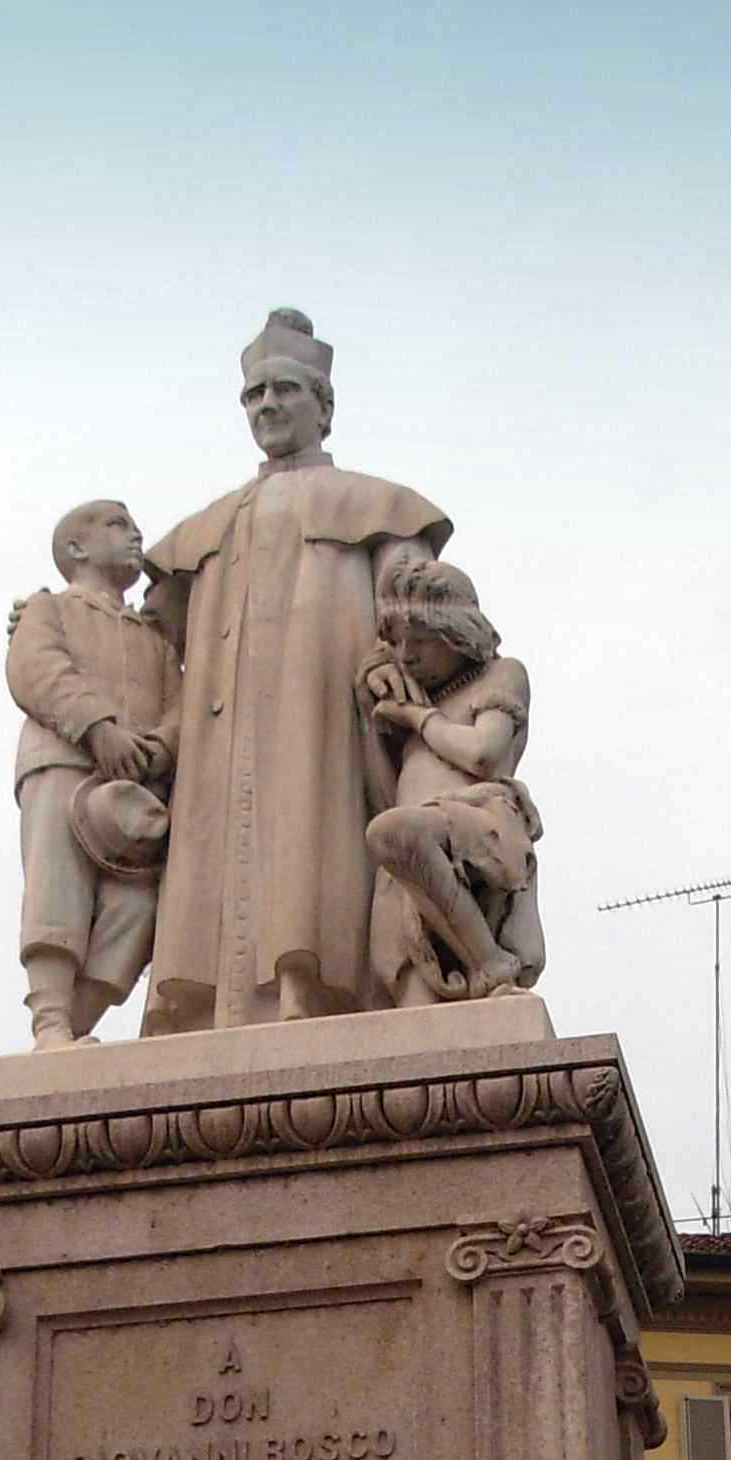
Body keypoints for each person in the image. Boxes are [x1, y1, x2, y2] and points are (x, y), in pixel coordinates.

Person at [137, 311, 450, 1030]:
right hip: (219, 739)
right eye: (254, 395)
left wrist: (391, 656)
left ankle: (311, 989)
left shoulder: (376, 505)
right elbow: (145, 640)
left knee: (314, 838)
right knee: (214, 858)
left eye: (285, 390)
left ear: (324, 407)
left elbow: (423, 604)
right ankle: (209, 1005)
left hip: (324, 713)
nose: (268, 405)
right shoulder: (206, 526)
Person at [6, 500, 179, 1048]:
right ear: (76, 548)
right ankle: (51, 1021)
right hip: (64, 763)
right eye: (117, 526)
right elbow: (37, 669)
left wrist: (160, 747)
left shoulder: (155, 637)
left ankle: (74, 1026)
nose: (135, 535)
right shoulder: (49, 608)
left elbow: (181, 704)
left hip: (136, 790)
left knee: (139, 908)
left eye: (134, 525)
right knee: (58, 889)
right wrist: (98, 728)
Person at [361, 565, 544, 1005]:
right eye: (397, 643)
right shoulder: (417, 694)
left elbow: (483, 753)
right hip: (413, 869)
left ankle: (491, 964)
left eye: (420, 641)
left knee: (392, 832)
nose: (406, 655)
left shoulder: (501, 675)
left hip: (478, 824)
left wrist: (417, 718)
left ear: (455, 633)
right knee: (415, 1017)